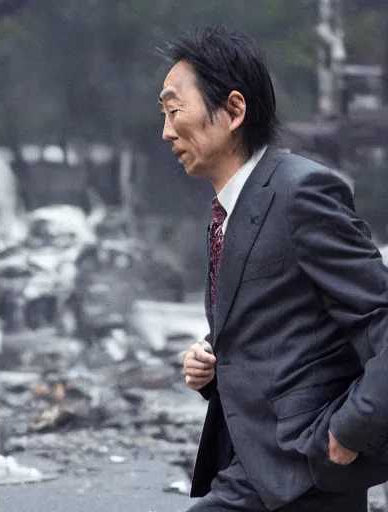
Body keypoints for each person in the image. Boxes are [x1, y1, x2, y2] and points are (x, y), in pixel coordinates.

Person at [164, 26, 388, 511]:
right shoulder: (224, 210)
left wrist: (348, 433)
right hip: (257, 468)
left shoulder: (302, 193)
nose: (166, 130)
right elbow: (282, 323)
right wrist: (211, 361)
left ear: (234, 111)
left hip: (304, 467)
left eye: (174, 109)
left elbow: (381, 319)